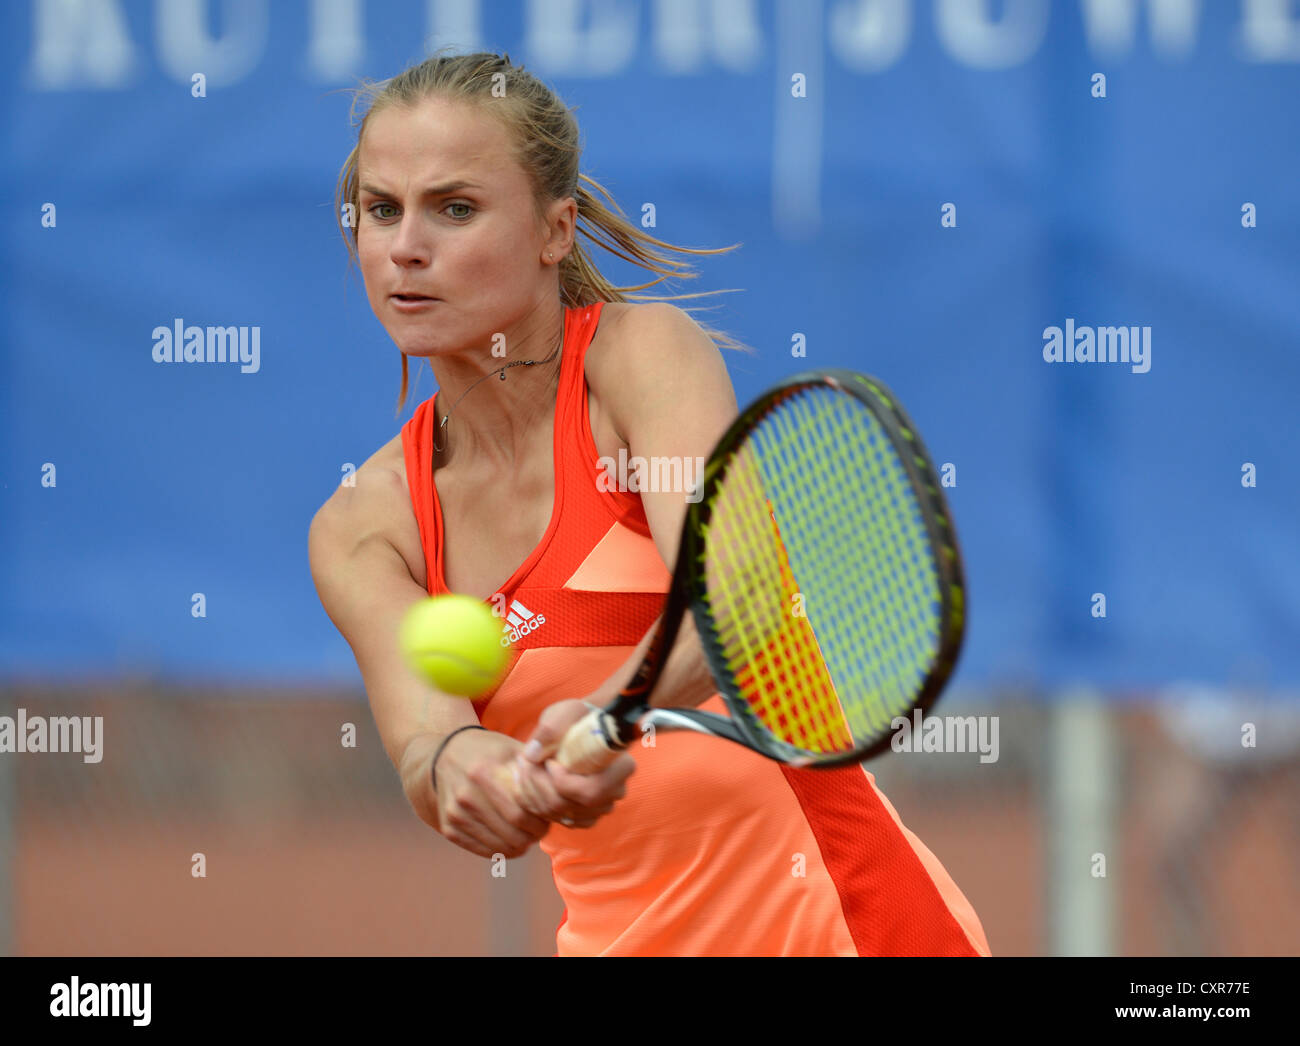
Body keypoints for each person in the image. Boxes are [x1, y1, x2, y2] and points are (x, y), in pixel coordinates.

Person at [309, 49, 989, 957]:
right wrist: (471, 773)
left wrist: (605, 708)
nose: (406, 247)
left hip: (854, 929)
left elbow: (733, 607)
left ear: (557, 231)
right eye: (382, 211)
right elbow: (427, 741)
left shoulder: (641, 359)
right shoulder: (364, 526)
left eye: (456, 208)